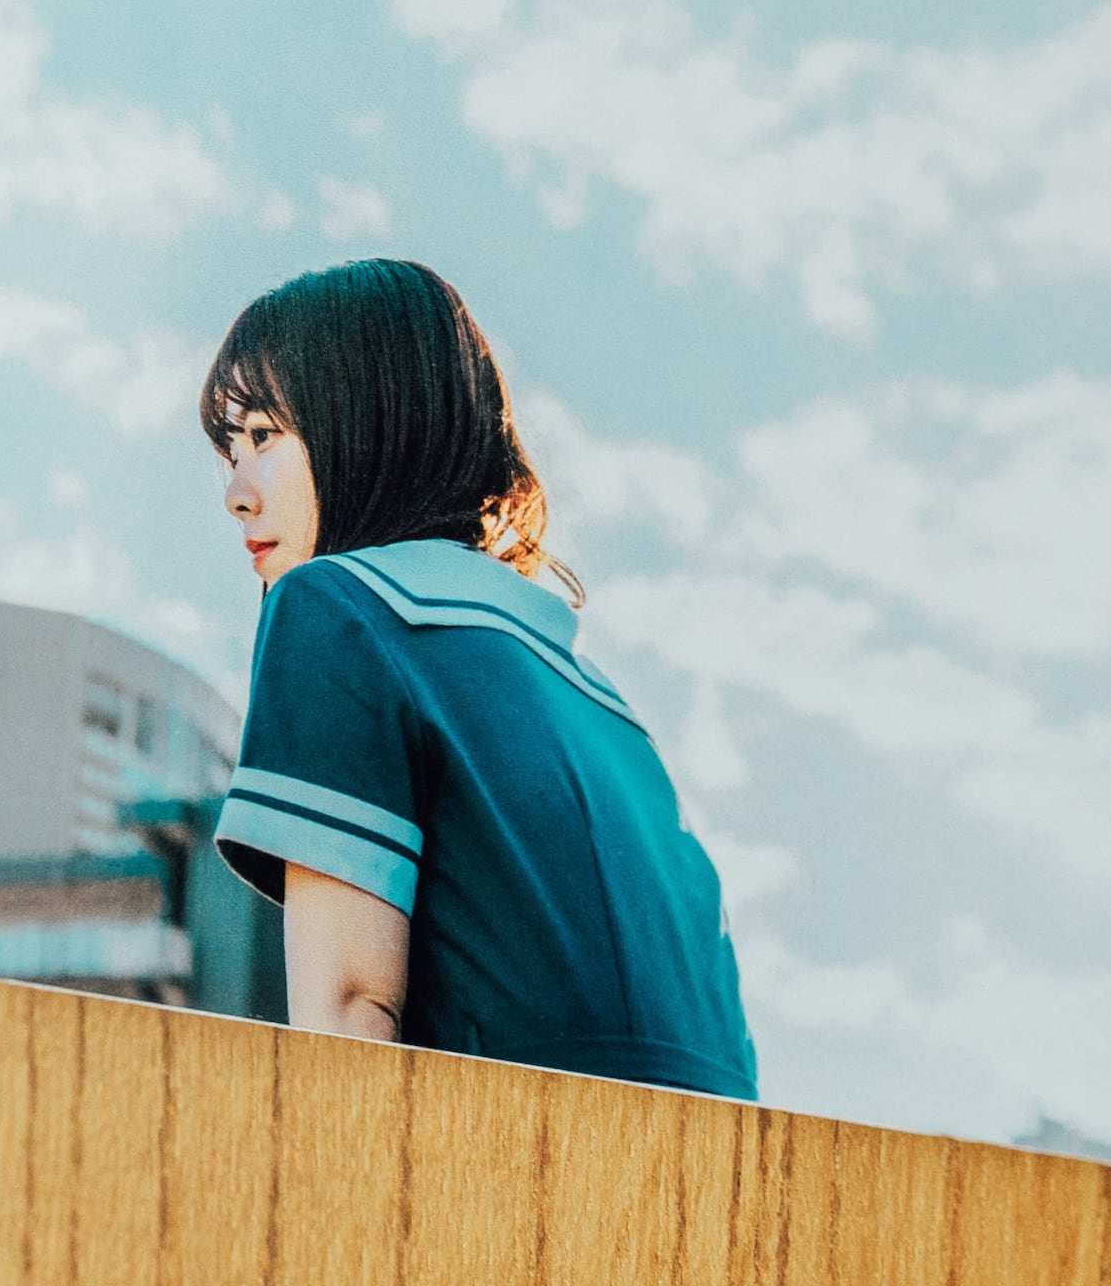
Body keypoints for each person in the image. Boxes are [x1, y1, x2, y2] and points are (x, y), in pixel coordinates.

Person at [200, 259, 760, 1103]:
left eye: (266, 435)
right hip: (714, 1167)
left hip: (496, 1161)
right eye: (231, 450)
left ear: (369, 417)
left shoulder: (335, 609)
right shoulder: (606, 709)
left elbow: (347, 1012)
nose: (238, 494)